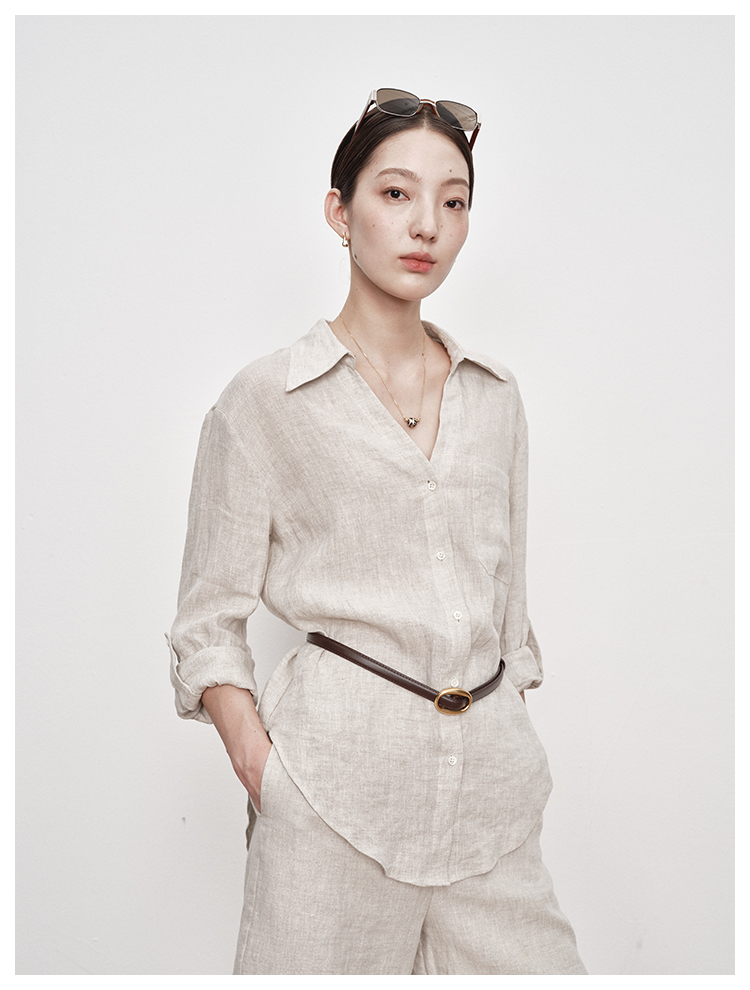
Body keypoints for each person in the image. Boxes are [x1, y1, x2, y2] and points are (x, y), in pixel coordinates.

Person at [167, 88, 587, 976]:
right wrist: (265, 772)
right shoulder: (265, 401)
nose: (426, 223)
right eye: (396, 193)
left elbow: (508, 613)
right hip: (332, 800)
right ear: (340, 211)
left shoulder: (496, 398)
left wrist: (508, 732)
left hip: (491, 810)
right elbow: (207, 622)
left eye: (453, 200)